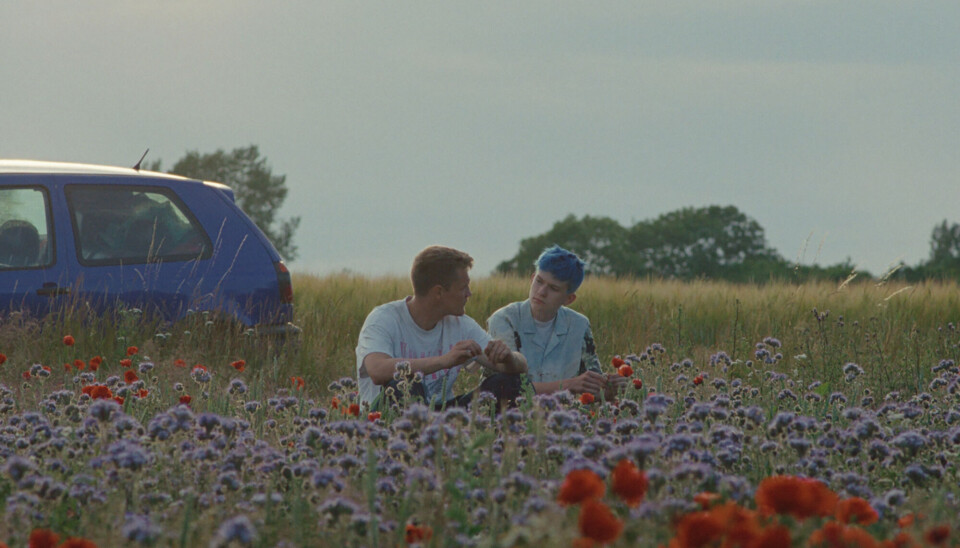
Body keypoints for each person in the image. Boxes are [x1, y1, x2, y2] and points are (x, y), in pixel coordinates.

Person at [356, 245, 527, 409]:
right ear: (438, 292)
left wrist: (508, 357)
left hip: (443, 416)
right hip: (386, 419)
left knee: (511, 384)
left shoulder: (461, 325)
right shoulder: (383, 319)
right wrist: (444, 361)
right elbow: (377, 370)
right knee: (405, 385)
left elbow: (521, 366)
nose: (469, 294)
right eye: (463, 288)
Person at [487, 245, 626, 400]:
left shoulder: (579, 325)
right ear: (532, 278)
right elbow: (504, 388)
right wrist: (570, 385)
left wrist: (612, 388)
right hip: (507, 416)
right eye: (539, 281)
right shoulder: (504, 319)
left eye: (553, 288)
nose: (541, 292)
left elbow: (590, 390)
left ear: (569, 299)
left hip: (562, 417)